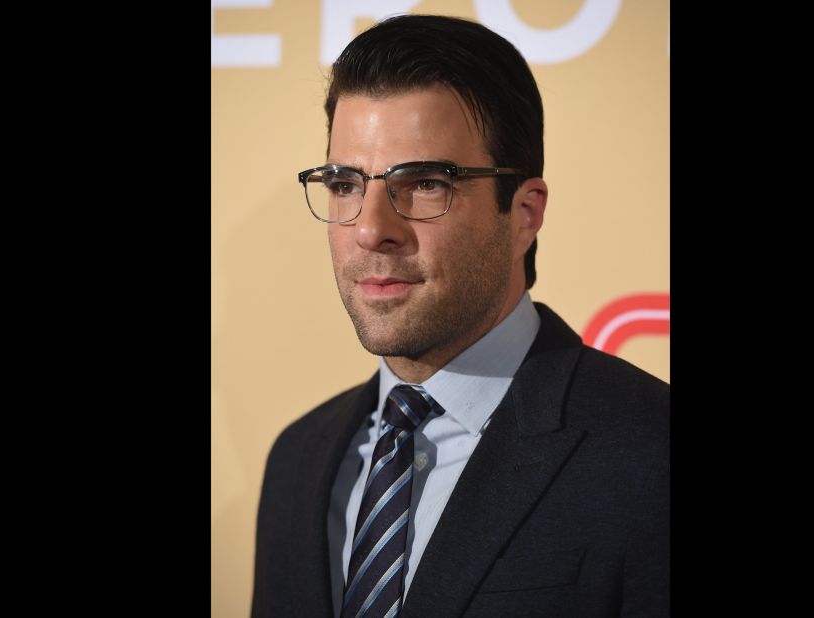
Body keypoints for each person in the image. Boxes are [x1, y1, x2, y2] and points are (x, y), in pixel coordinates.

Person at [251, 14, 668, 618]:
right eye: (344, 184)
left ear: (524, 213)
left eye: (424, 183)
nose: (371, 230)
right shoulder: (297, 462)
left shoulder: (651, 454)